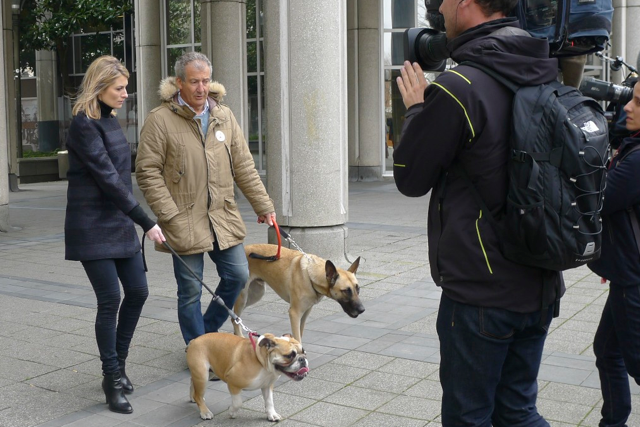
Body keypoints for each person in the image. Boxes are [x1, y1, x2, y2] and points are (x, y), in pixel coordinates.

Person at [393, 0, 564, 425]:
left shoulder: (459, 87)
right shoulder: (543, 71)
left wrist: (416, 107)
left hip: (480, 294)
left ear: (467, 3)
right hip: (540, 281)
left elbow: (411, 178)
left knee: (469, 416)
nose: (439, 8)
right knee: (518, 411)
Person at [135, 52, 275, 347]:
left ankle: (205, 337)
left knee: (237, 276)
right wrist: (168, 214)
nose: (201, 88)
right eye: (194, 81)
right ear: (179, 83)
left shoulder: (224, 115)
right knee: (190, 290)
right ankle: (198, 348)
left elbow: (244, 165)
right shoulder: (160, 120)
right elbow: (147, 172)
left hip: (222, 215)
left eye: (206, 80)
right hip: (182, 218)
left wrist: (263, 206)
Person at [64, 55, 166, 414]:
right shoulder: (82, 124)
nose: (126, 94)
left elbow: (122, 178)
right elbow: (107, 178)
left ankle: (117, 366)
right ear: (100, 87)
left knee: (138, 291)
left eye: (126, 87)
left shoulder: (109, 119)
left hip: (119, 221)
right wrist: (147, 221)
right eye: (120, 88)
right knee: (110, 300)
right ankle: (111, 379)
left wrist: (136, 217)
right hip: (91, 225)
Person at [588, 80, 640, 427]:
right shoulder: (633, 148)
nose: (627, 107)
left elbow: (599, 198)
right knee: (608, 353)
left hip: (633, 281)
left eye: (637, 101)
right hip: (627, 275)